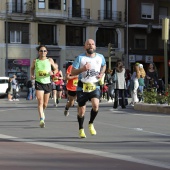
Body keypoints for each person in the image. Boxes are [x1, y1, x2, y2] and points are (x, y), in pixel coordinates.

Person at [71, 39, 106, 138]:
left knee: (95, 105)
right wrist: (83, 69)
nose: (90, 46)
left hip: (95, 85)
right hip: (82, 86)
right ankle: (81, 128)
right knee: (81, 111)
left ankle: (91, 123)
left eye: (92, 44)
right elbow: (72, 72)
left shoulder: (100, 57)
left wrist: (102, 73)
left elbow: (104, 65)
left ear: (95, 46)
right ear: (84, 47)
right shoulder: (80, 58)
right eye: (88, 44)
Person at [30, 45, 57, 128]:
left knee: (45, 104)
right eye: (41, 51)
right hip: (39, 83)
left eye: (44, 51)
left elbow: (55, 69)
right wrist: (32, 75)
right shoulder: (36, 61)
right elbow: (32, 68)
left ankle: (42, 111)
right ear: (38, 52)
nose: (43, 52)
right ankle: (41, 119)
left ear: (47, 52)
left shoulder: (50, 60)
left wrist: (53, 72)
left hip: (47, 83)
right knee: (40, 101)